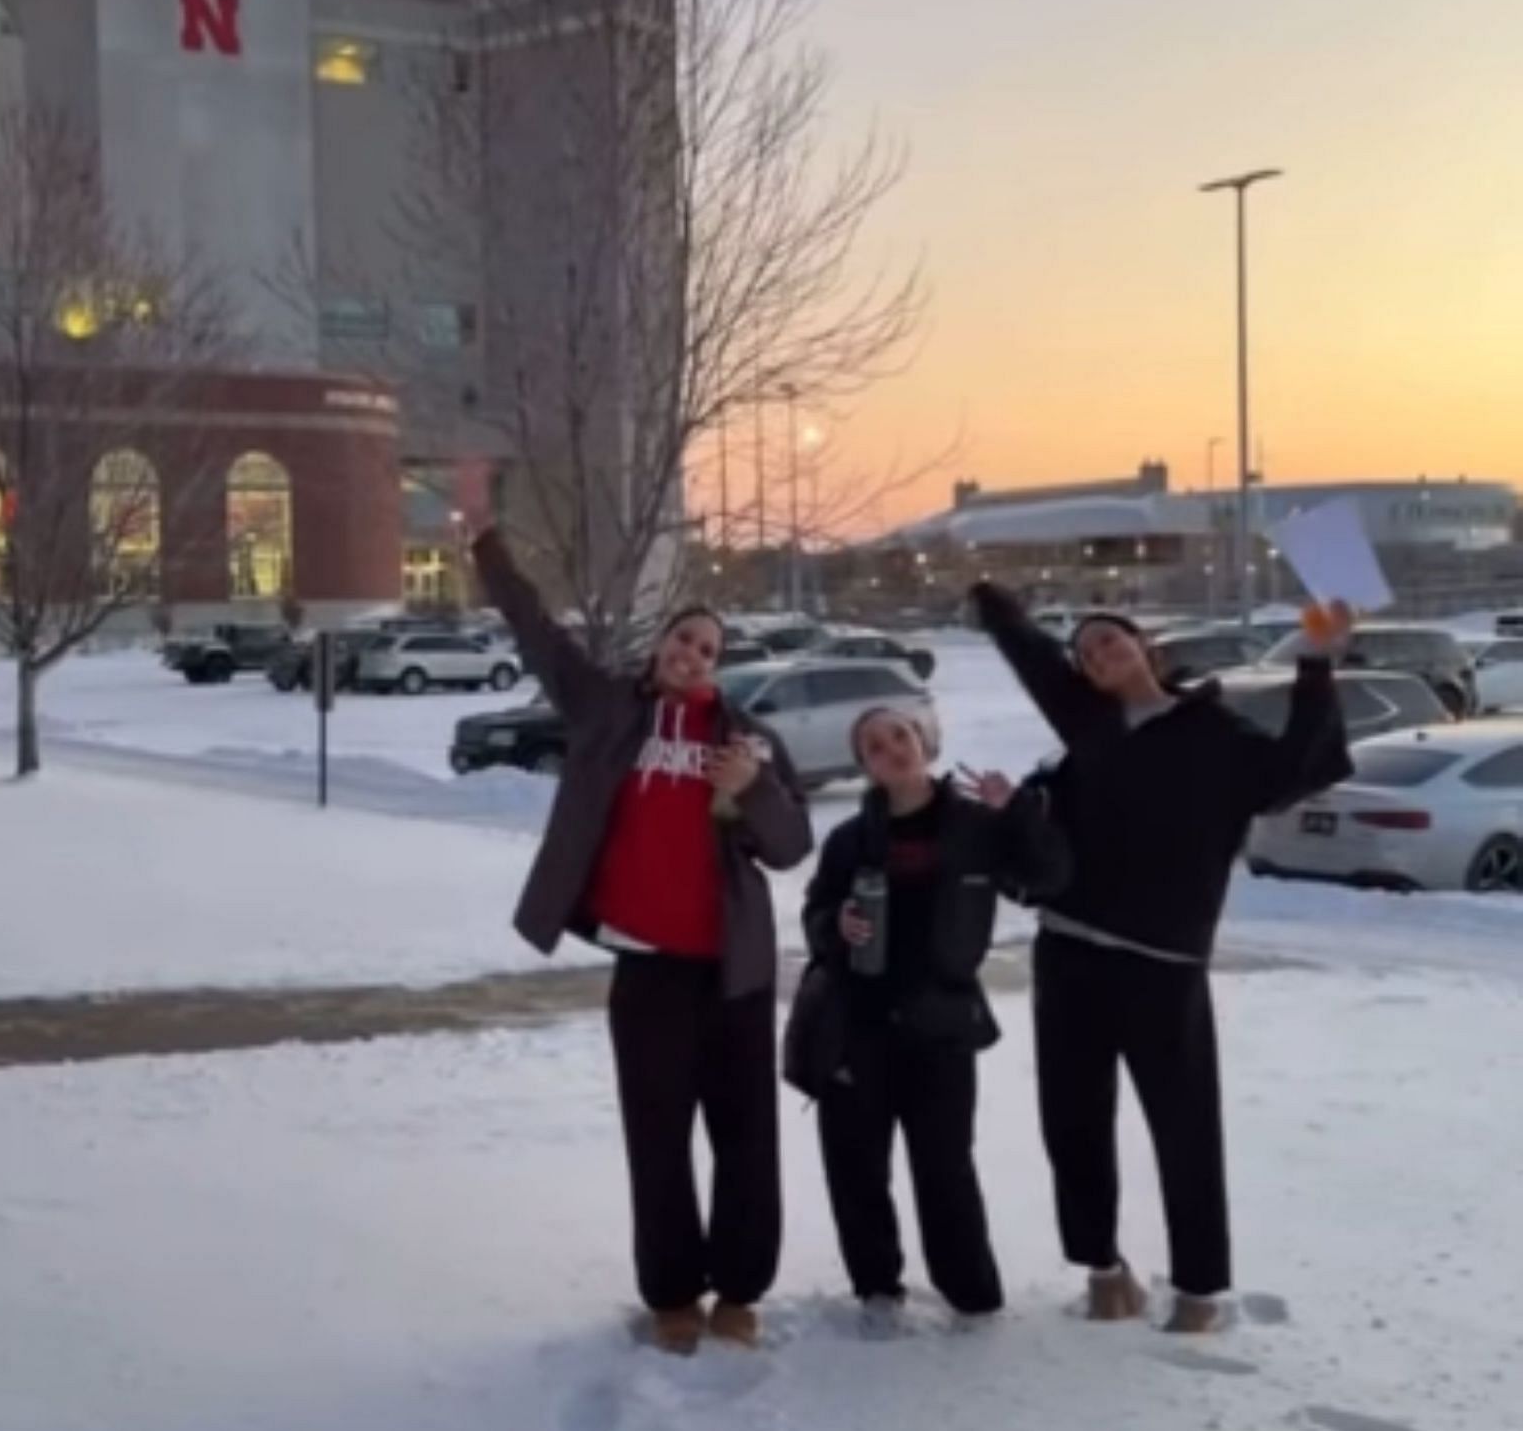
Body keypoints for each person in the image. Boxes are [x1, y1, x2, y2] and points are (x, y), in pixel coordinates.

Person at [972, 582, 1354, 1333]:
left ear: (1145, 646)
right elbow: (1032, 656)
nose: (1101, 655)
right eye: (1087, 653)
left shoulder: (1214, 733)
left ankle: (1200, 1289)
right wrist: (995, 606)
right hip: (1071, 954)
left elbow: (1294, 773)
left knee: (1185, 1129)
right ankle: (1104, 1270)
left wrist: (1316, 668)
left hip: (1164, 964)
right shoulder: (1088, 723)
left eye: (1112, 640)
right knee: (1072, 1122)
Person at [470, 524, 811, 1355]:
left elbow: (792, 845)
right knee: (656, 1135)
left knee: (745, 1135)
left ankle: (739, 1291)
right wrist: (492, 557)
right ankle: (670, 1295)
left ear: (718, 663)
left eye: (708, 647)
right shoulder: (607, 708)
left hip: (735, 973)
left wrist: (753, 788)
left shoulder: (746, 741)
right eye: (683, 639)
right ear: (659, 646)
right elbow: (541, 638)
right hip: (650, 971)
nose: (693, 654)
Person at [789, 694, 1068, 1322]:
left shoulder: (976, 826)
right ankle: (877, 1289)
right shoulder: (849, 839)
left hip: (942, 1023)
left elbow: (1048, 878)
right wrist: (839, 925)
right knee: (857, 1167)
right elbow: (814, 913)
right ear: (865, 766)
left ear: (924, 741)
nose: (891, 751)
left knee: (945, 1165)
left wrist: (1017, 812)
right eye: (874, 748)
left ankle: (970, 1295)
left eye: (898, 737)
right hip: (857, 1024)